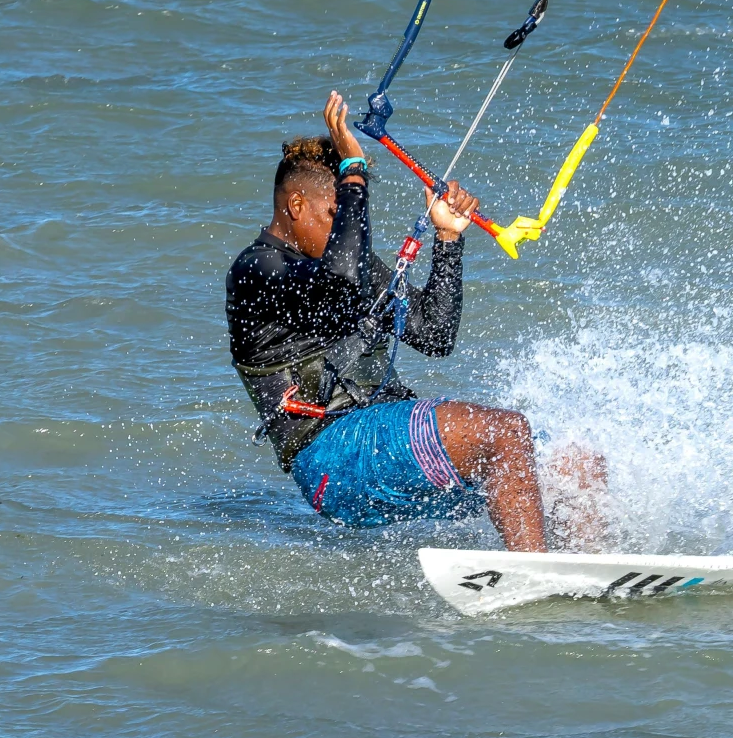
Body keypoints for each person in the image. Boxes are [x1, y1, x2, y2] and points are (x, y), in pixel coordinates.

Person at [226, 91, 602, 550]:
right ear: (298, 206)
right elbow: (339, 284)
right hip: (332, 456)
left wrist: (447, 239)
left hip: (385, 441)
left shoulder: (349, 266)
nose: (346, 227)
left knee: (576, 463)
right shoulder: (257, 269)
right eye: (335, 214)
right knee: (504, 433)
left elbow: (435, 333)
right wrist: (354, 172)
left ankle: (593, 576)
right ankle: (538, 578)